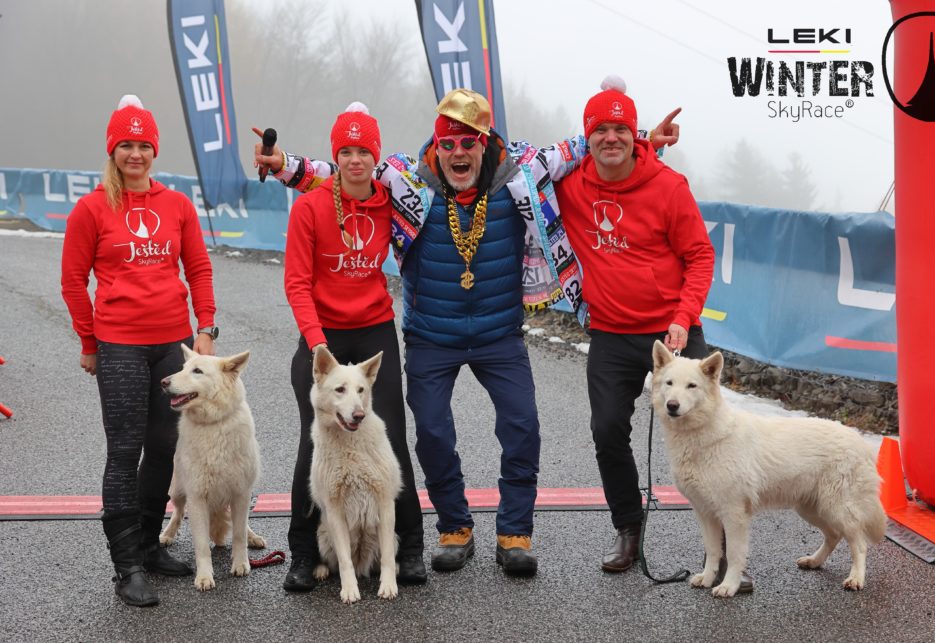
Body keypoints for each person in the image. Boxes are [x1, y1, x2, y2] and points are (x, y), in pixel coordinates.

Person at [256, 89, 679, 577]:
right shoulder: (406, 180)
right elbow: (346, 173)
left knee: (522, 427)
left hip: (499, 334)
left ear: (486, 143)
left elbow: (589, 144)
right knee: (432, 432)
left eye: (470, 143)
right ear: (438, 146)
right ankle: (454, 528)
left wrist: (647, 138)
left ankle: (515, 533)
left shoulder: (521, 171)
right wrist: (285, 164)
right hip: (432, 335)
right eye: (450, 144)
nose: (460, 153)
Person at [554, 78, 750, 592]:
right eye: (602, 130)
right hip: (612, 333)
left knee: (712, 435)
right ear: (587, 136)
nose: (611, 138)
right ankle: (628, 529)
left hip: (674, 332)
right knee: (606, 429)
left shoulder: (668, 186)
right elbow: (515, 171)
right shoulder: (568, 185)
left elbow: (699, 256)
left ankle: (730, 558)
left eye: (622, 129)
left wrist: (684, 317)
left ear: (632, 135)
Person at [61, 94, 217, 607]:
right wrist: (89, 342)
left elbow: (198, 269)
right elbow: (72, 282)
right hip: (120, 345)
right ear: (113, 150)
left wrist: (206, 327)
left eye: (143, 144)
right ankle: (127, 566)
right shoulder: (91, 208)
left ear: (154, 149)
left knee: (168, 446)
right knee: (125, 451)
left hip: (172, 345)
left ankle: (150, 548)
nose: (135, 153)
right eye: (125, 144)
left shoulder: (176, 205)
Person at [278, 103, 426, 592]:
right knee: (313, 442)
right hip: (323, 337)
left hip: (372, 329)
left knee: (391, 437)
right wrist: (319, 348)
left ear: (375, 156)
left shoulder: (393, 200)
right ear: (335, 154)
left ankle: (409, 548)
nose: (356, 159)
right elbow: (297, 283)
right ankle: (302, 552)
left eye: (364, 150)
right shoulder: (311, 206)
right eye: (346, 150)